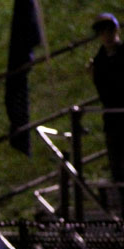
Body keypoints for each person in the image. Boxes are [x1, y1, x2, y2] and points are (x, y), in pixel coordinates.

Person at [89, 12, 124, 216]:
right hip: (112, 119)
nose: (107, 35)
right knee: (117, 169)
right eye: (102, 31)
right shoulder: (99, 61)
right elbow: (105, 91)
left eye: (109, 30)